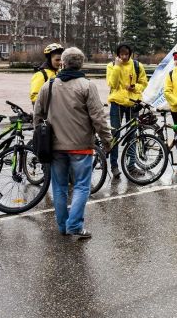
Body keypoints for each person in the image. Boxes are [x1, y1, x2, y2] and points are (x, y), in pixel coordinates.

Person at [34, 47, 112, 240]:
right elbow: (98, 117)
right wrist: (107, 140)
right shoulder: (87, 86)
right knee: (81, 186)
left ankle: (63, 226)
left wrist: (40, 135)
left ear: (63, 63)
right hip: (81, 145)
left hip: (55, 146)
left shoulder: (49, 85)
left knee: (59, 186)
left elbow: (38, 114)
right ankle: (75, 225)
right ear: (81, 64)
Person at [106, 43, 148, 178]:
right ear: (117, 54)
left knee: (132, 136)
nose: (124, 57)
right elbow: (112, 84)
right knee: (115, 135)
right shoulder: (111, 66)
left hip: (132, 103)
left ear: (130, 54)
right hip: (116, 104)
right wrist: (117, 67)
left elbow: (144, 83)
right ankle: (114, 166)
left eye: (126, 54)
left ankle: (131, 166)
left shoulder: (137, 65)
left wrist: (135, 87)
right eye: (121, 54)